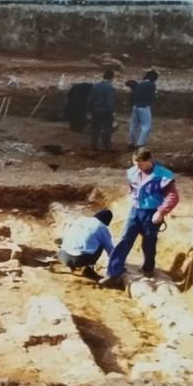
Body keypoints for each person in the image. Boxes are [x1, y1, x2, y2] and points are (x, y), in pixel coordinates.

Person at [99, 149, 180, 287]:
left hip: (152, 213)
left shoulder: (162, 175)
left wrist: (161, 212)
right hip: (135, 211)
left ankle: (148, 268)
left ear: (149, 161)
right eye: (136, 164)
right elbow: (133, 187)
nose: (138, 167)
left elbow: (173, 196)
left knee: (149, 243)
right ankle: (113, 273)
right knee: (124, 240)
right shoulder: (133, 172)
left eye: (140, 164)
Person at [58, 209, 115, 280]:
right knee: (101, 243)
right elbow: (110, 250)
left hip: (62, 255)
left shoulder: (81, 219)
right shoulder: (101, 227)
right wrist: (117, 264)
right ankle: (88, 269)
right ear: (106, 222)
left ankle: (69, 266)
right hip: (78, 260)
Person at [127, 69, 158, 150]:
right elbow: (151, 97)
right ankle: (140, 144)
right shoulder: (151, 85)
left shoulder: (139, 84)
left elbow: (132, 96)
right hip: (144, 107)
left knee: (133, 126)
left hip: (135, 107)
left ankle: (130, 143)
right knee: (146, 126)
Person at [87, 70, 116, 152]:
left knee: (95, 128)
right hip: (105, 111)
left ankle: (94, 145)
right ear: (111, 78)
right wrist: (112, 111)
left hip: (95, 111)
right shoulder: (109, 87)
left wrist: (90, 110)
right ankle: (107, 146)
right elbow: (109, 101)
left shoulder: (95, 86)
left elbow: (90, 99)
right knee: (107, 129)